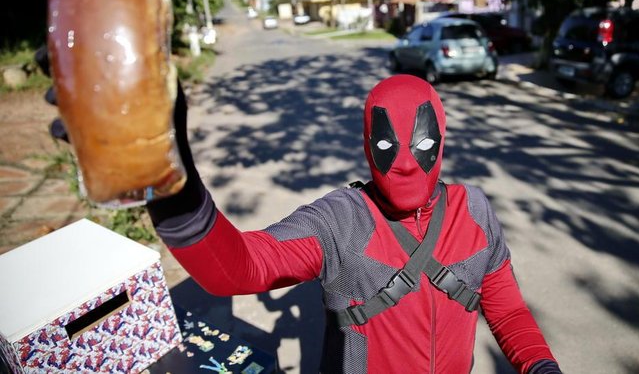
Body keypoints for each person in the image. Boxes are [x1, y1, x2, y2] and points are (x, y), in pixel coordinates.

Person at [143, 74, 562, 374]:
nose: (402, 163)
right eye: (385, 144)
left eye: (422, 144)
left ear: (442, 140)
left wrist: (541, 366)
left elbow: (507, 312)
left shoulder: (474, 212)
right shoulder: (340, 222)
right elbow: (238, 267)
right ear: (366, 144)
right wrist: (164, 176)